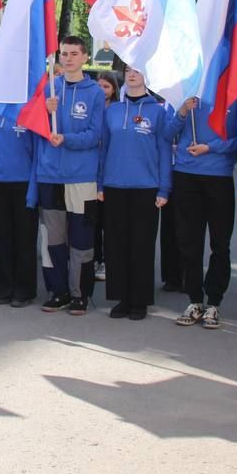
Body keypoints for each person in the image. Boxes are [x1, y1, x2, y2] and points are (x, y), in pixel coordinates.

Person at [35, 36, 104, 315]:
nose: (68, 58)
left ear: (85, 57)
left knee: (82, 240)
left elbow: (95, 135)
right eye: (64, 53)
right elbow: (35, 129)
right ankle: (58, 291)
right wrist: (43, 111)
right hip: (51, 175)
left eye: (74, 53)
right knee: (52, 238)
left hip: (82, 177)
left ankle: (80, 294)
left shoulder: (95, 92)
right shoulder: (50, 88)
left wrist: (66, 139)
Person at [100, 66, 172, 320]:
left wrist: (164, 187)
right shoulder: (113, 110)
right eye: (128, 70)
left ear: (147, 77)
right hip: (114, 186)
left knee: (141, 246)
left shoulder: (157, 111)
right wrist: (100, 184)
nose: (132, 75)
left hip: (146, 188)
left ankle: (139, 300)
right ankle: (122, 298)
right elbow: (104, 149)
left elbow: (164, 151)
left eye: (138, 71)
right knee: (116, 246)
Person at [167, 95, 237, 330]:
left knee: (220, 242)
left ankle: (214, 301)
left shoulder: (234, 94)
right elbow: (167, 133)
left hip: (219, 177)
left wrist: (211, 147)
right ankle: (195, 300)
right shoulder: (186, 92)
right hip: (186, 174)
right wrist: (183, 111)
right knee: (189, 241)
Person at [0, 104, 39, 308]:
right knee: (1, 238)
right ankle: (4, 288)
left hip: (23, 183)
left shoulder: (31, 111)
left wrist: (34, 189)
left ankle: (24, 290)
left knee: (24, 238)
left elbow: (37, 154)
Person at [90, 71, 119, 284]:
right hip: (90, 171)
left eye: (106, 87)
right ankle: (95, 257)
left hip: (109, 173)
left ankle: (109, 261)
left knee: (108, 222)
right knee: (92, 220)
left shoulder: (116, 111)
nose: (102, 91)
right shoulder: (93, 109)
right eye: (99, 86)